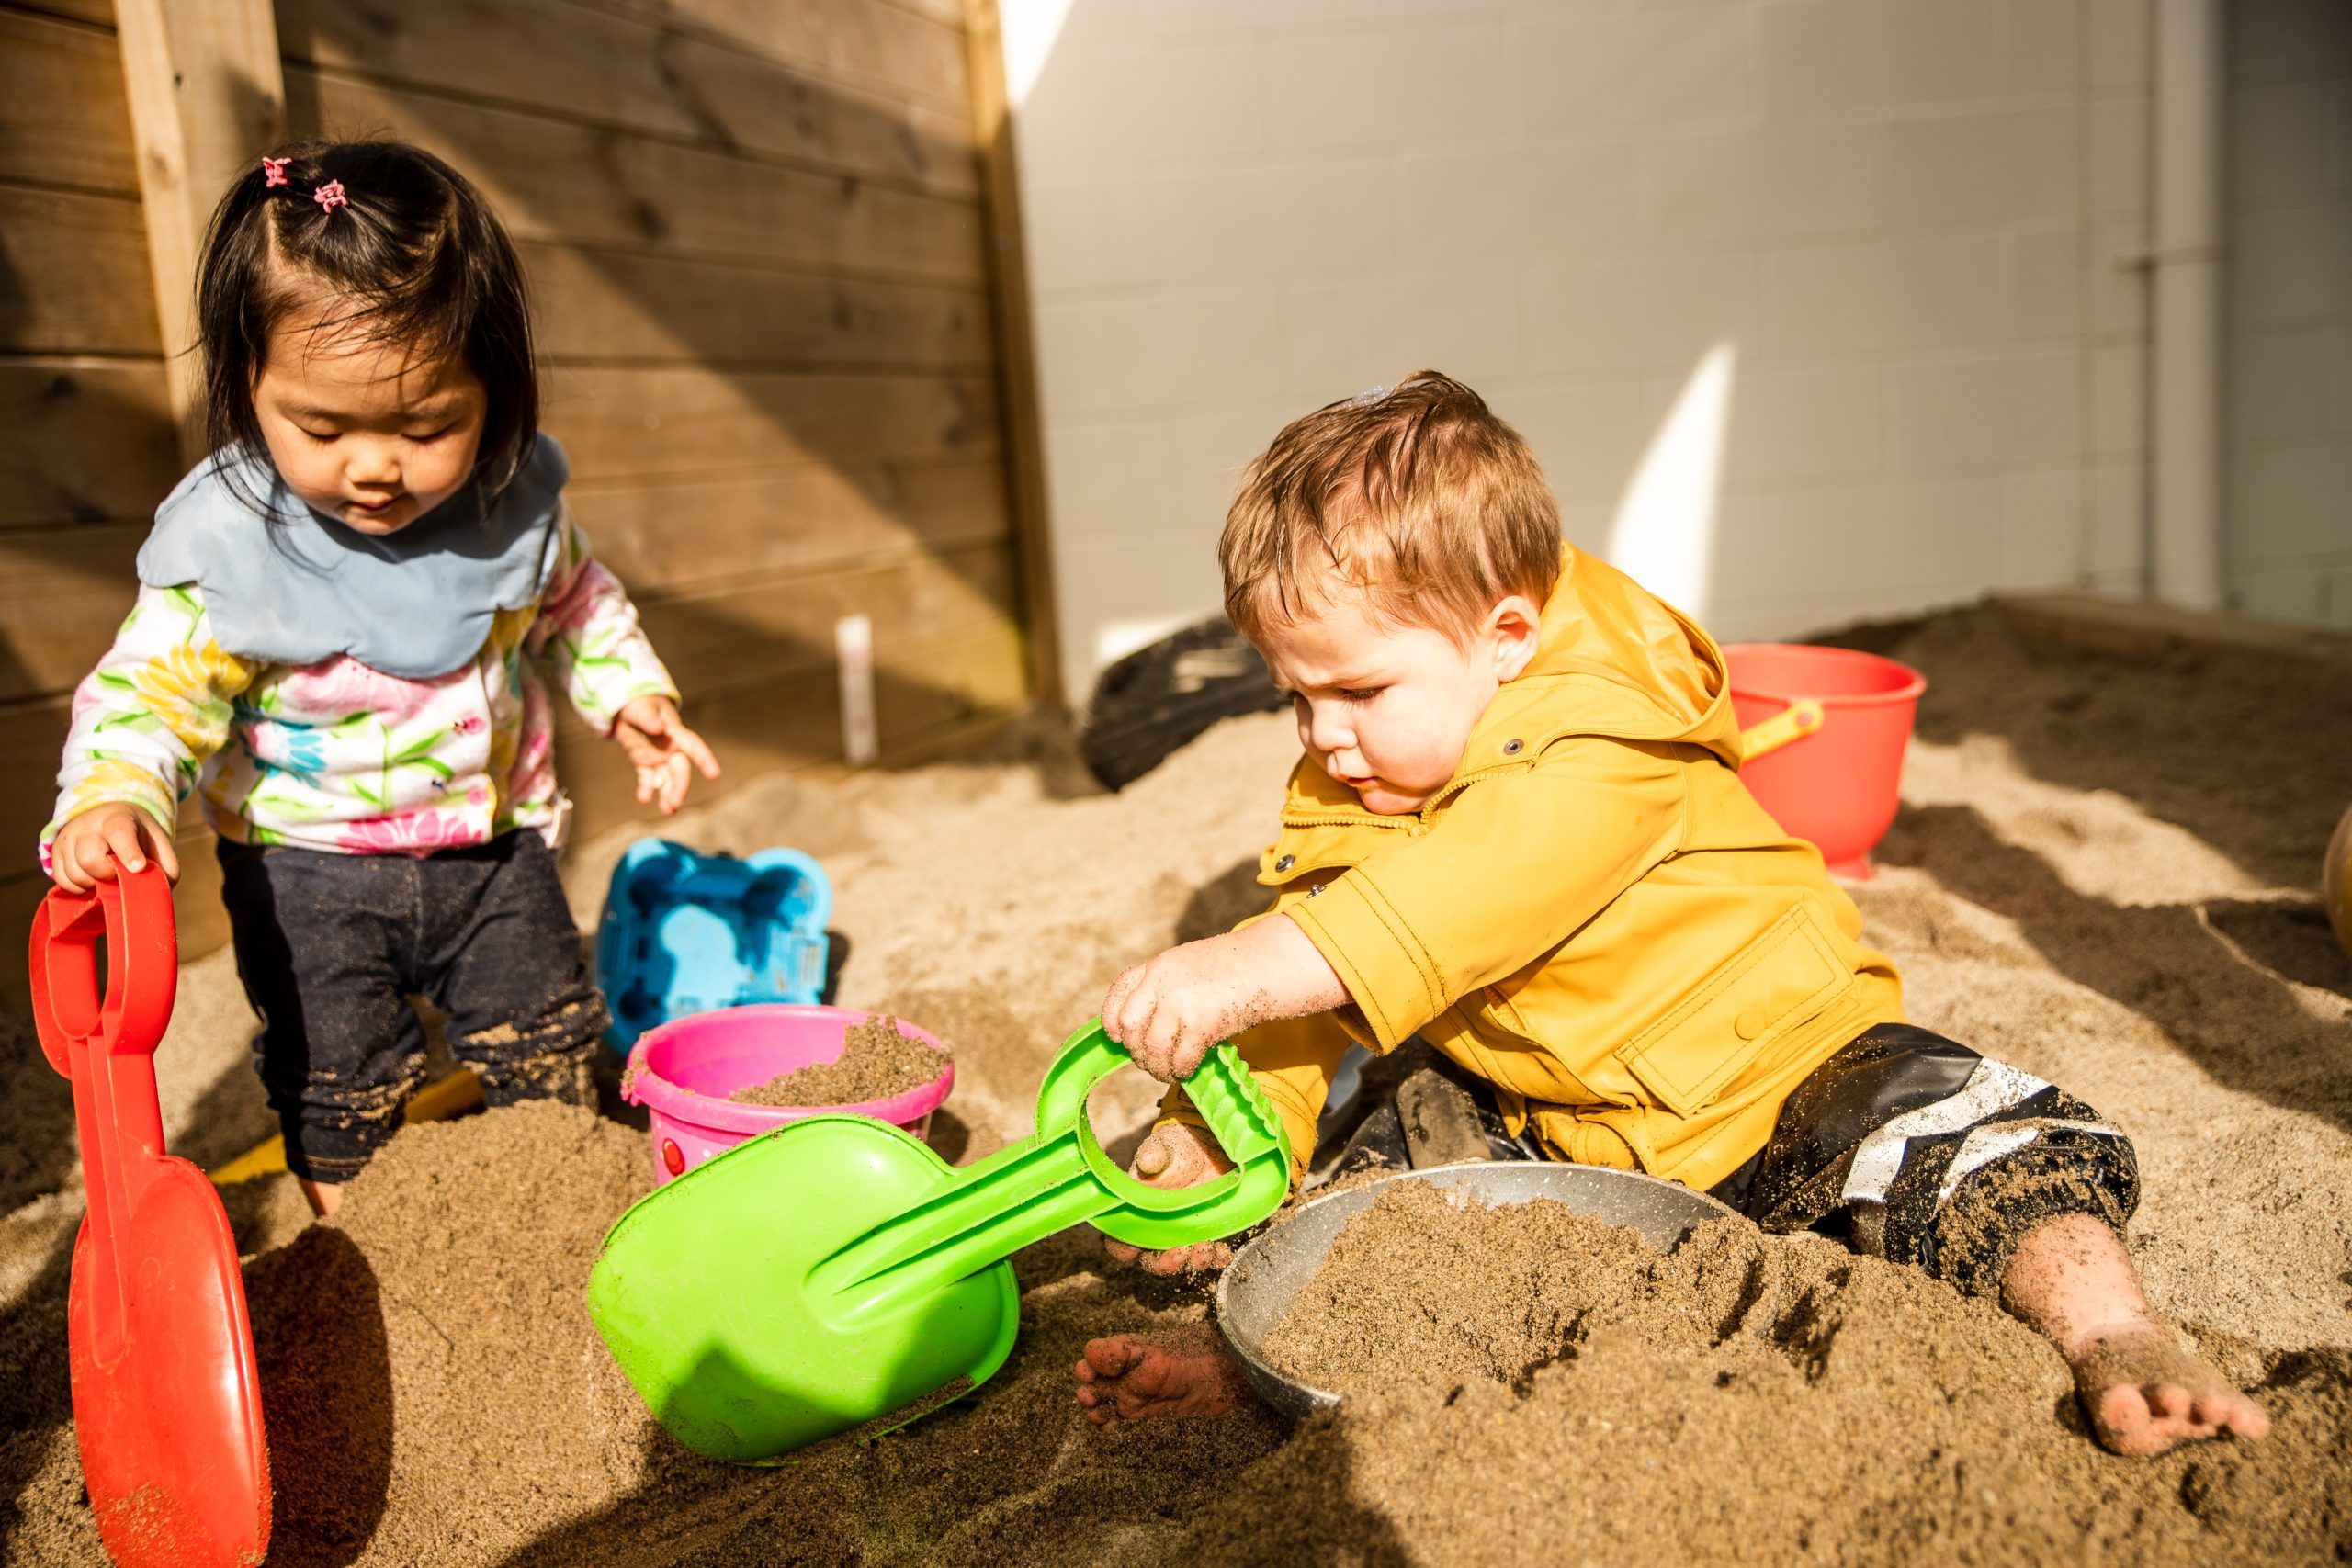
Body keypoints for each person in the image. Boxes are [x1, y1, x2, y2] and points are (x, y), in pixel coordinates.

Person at [1072, 372, 2268, 1459]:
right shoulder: (1360, 766)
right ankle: (1271, 1370)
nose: (1322, 733)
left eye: (1359, 689)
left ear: (1506, 640)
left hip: (1783, 1064)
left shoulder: (1605, 735)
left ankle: (2118, 1335)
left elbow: (1458, 889)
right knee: (1386, 1175)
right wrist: (1230, 1125)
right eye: (1294, 693)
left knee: (1968, 1143)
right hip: (1559, 1109)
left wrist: (1248, 957)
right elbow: (1320, 976)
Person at [41, 141, 718, 1217]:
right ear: (246, 382)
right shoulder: (232, 545)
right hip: (308, 878)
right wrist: (115, 793)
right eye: (318, 425)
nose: (373, 465)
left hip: (494, 855)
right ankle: (359, 1253)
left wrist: (633, 697)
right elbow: (150, 690)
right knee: (337, 1082)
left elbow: (577, 602)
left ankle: (564, 1218)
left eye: (426, 424)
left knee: (546, 1037)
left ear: (493, 389)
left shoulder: (511, 508)